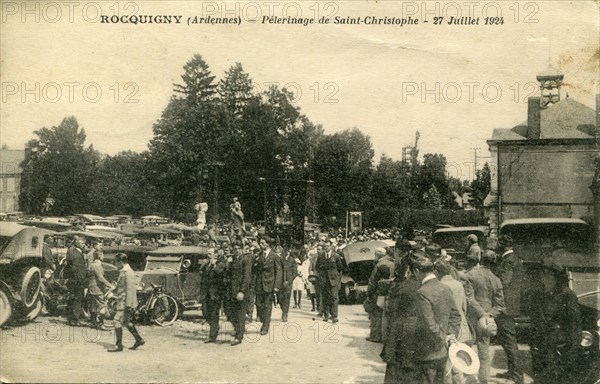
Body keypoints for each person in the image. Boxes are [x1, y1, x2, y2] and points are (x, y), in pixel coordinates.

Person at [527, 260, 581, 384]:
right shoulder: (539, 295)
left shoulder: (567, 295)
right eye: (542, 274)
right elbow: (535, 322)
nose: (543, 277)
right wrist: (533, 344)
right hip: (542, 349)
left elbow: (574, 326)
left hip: (560, 349)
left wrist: (569, 351)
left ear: (556, 277)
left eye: (547, 274)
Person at [412, 256, 461, 384]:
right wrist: (450, 335)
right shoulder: (445, 287)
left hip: (427, 350)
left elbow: (429, 324)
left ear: (417, 271)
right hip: (443, 350)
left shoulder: (422, 292)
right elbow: (456, 315)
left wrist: (442, 338)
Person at [465, 249, 506, 384]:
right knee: (484, 350)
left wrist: (481, 313)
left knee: (468, 348)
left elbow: (469, 299)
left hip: (472, 316)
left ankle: (469, 378)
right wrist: (488, 314)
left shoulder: (471, 275)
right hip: (487, 320)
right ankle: (484, 380)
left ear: (481, 259)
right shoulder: (496, 280)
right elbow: (500, 305)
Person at [380, 252, 421, 384]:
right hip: (414, 338)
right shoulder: (422, 285)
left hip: (398, 335)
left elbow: (390, 313)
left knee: (395, 373)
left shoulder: (400, 287)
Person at [493, 235, 524, 384]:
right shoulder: (514, 258)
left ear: (502, 244)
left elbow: (503, 282)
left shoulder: (508, 261)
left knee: (509, 342)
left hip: (505, 307)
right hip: (510, 306)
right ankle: (512, 372)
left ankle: (517, 376)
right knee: (507, 341)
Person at [434, 259, 471, 384]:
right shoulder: (458, 284)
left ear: (437, 271)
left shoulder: (439, 285)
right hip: (461, 326)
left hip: (447, 327)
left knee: (447, 365)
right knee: (458, 362)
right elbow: (464, 306)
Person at [109, 253, 144, 352]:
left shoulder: (128, 272)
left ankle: (119, 345)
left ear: (120, 262)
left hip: (124, 302)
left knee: (116, 320)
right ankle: (139, 339)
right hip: (123, 300)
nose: (115, 264)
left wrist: (128, 305)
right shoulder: (125, 271)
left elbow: (130, 290)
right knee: (127, 322)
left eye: (115, 262)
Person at [253, 237, 282, 335]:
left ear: (268, 244)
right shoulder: (259, 255)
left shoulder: (274, 256)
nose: (261, 245)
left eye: (263, 243)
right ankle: (263, 319)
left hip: (270, 284)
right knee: (258, 304)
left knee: (267, 305)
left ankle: (265, 326)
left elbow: (279, 272)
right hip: (259, 284)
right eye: (260, 243)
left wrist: (277, 285)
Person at [227, 240, 253, 345]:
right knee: (231, 313)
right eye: (235, 248)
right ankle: (238, 329)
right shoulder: (233, 260)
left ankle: (239, 336)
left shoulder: (246, 260)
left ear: (242, 249)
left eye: (239, 248)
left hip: (241, 291)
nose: (237, 250)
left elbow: (247, 277)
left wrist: (242, 291)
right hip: (232, 291)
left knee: (240, 314)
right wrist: (228, 263)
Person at [366, 247, 394, 343]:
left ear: (377, 255)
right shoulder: (392, 263)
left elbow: (373, 281)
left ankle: (375, 336)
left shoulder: (379, 265)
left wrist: (370, 293)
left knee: (376, 314)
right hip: (389, 291)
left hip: (379, 292)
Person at [203, 245, 229, 343]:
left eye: (210, 253)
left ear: (215, 254)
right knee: (205, 312)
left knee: (214, 314)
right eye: (207, 253)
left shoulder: (220, 263)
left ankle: (212, 335)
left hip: (215, 293)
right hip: (206, 293)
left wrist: (214, 265)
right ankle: (215, 328)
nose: (208, 255)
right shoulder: (207, 264)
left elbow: (220, 274)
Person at [316, 238, 344, 322]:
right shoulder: (321, 255)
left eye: (328, 246)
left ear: (331, 247)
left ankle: (334, 316)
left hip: (333, 280)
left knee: (334, 298)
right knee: (325, 298)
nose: (326, 248)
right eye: (325, 246)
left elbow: (340, 268)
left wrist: (337, 278)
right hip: (324, 280)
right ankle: (326, 315)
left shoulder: (336, 256)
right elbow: (317, 266)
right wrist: (321, 275)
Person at [87, 250, 114, 331]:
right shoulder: (97, 266)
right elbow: (100, 278)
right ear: (100, 256)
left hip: (91, 288)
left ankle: (94, 322)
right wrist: (110, 285)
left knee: (93, 306)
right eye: (102, 255)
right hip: (97, 289)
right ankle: (101, 324)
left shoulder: (91, 265)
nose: (103, 257)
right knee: (103, 306)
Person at [65, 236, 88, 326]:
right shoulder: (77, 254)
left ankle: (71, 318)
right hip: (78, 280)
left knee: (74, 298)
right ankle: (74, 319)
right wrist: (82, 280)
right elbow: (77, 269)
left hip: (74, 279)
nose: (84, 245)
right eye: (82, 243)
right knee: (77, 299)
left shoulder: (73, 252)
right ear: (78, 243)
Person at [278, 247, 298, 322]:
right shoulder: (280, 260)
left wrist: (289, 281)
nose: (285, 253)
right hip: (280, 282)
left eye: (286, 252)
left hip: (288, 283)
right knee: (279, 298)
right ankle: (283, 310)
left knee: (286, 298)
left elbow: (294, 273)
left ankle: (285, 314)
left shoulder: (292, 260)